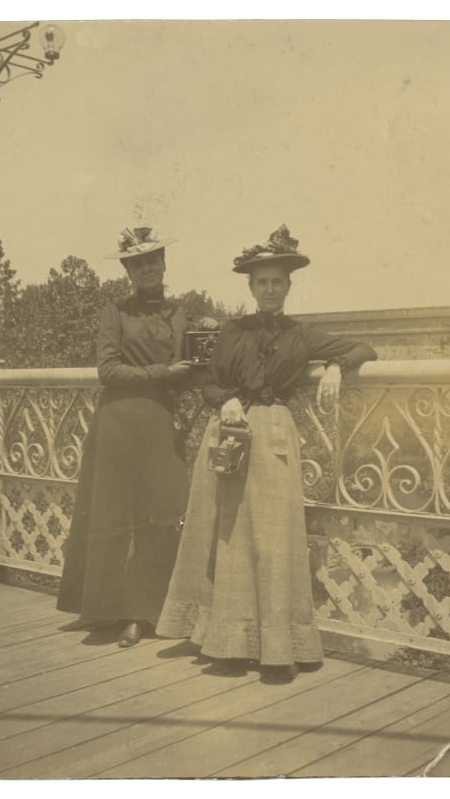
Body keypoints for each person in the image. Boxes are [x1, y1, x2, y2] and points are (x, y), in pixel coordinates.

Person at [156, 225, 377, 682]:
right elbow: (208, 383)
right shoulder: (232, 331)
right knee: (229, 537)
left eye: (278, 281)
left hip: (274, 433)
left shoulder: (302, 335)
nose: (270, 289)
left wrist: (336, 366)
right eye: (263, 282)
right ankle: (229, 645)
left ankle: (279, 649)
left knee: (275, 540)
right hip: (230, 434)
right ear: (252, 288)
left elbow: (364, 347)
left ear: (288, 287)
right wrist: (225, 399)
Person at [57, 226, 216, 648]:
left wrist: (209, 334)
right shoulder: (115, 312)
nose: (147, 269)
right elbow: (107, 370)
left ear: (164, 263)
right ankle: (105, 610)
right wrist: (163, 372)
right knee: (111, 513)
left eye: (152, 261)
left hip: (160, 422)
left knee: (160, 514)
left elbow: (194, 372)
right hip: (117, 422)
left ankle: (146, 612)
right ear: (128, 271)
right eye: (138, 263)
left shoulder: (181, 315)